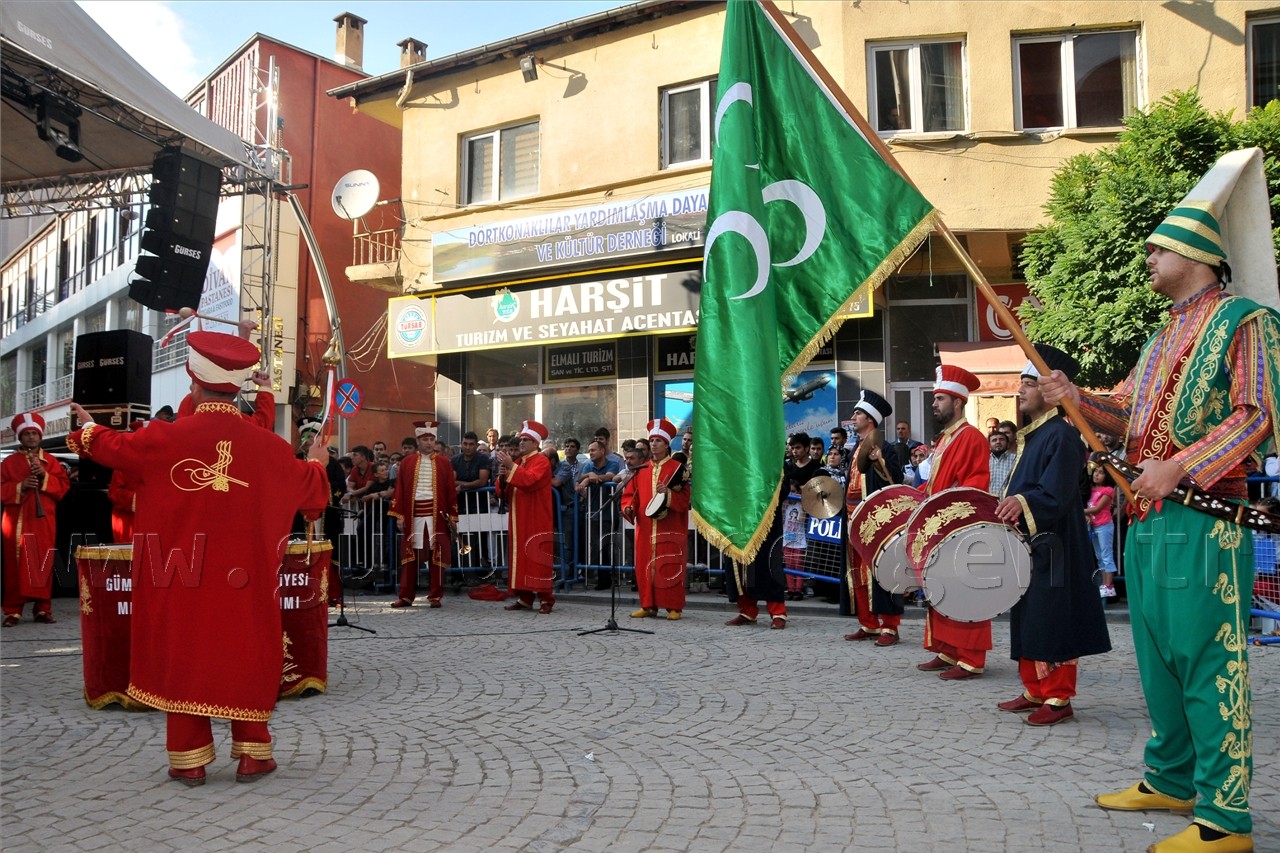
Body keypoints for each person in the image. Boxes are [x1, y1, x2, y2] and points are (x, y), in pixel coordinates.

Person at [1039, 151, 1279, 850]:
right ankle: (1171, 778)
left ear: (1197, 253)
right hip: (1147, 521)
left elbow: (1257, 414)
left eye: (1157, 247)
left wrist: (1179, 466)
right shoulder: (1160, 335)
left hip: (1207, 522)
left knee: (1208, 661)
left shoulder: (1246, 321)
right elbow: (1124, 411)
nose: (1147, 257)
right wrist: (1074, 396)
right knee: (1159, 661)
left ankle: (1226, 817)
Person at [66, 331, 329, 785]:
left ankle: (188, 759)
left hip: (180, 578)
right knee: (246, 651)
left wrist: (89, 428)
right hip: (246, 580)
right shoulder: (269, 447)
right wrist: (318, 463)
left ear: (195, 384)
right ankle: (253, 753)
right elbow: (313, 492)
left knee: (186, 653)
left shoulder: (163, 438)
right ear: (237, 388)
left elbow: (110, 448)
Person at [992, 345, 1112, 727]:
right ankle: (1034, 689)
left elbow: (1056, 494)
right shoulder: (1034, 435)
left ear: (1049, 391)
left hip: (1057, 544)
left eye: (1028, 384)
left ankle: (1058, 697)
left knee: (1053, 617)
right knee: (1030, 616)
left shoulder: (1061, 434)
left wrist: (1021, 501)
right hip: (1034, 543)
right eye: (1021, 383)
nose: (1020, 391)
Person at [915, 364, 992, 680]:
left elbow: (975, 483)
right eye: (935, 398)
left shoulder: (971, 437)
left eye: (940, 399)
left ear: (958, 402)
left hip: (959, 527)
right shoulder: (945, 438)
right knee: (942, 589)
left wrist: (943, 508)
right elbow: (937, 482)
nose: (934, 404)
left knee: (966, 592)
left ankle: (971, 659)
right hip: (940, 526)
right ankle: (948, 649)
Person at [841, 390, 905, 645]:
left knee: (882, 570)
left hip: (875, 520)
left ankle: (890, 627)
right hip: (852, 518)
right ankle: (868, 623)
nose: (853, 416)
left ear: (870, 419)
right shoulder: (854, 449)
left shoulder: (886, 448)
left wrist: (879, 462)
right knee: (857, 571)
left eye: (857, 413)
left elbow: (896, 480)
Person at [2, 413, 71, 626]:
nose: (31, 437)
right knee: (14, 565)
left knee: (42, 561)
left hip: (43, 520)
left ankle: (43, 608)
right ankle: (13, 610)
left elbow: (63, 487)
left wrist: (44, 476)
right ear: (20, 437)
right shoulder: (8, 463)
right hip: (16, 520)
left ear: (40, 436)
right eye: (27, 434)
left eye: (34, 433)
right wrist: (20, 486)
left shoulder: (50, 461)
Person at [621, 418, 690, 620]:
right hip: (645, 528)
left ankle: (673, 606)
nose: (653, 444)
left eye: (658, 441)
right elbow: (631, 494)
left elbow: (685, 498)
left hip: (670, 526)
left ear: (666, 444)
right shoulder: (641, 469)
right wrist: (628, 507)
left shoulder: (677, 468)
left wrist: (667, 494)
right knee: (644, 565)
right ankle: (648, 604)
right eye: (651, 440)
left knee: (669, 564)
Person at [387, 421, 457, 609]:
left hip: (437, 516)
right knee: (410, 557)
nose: (429, 443)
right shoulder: (407, 462)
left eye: (431, 439)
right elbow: (400, 490)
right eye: (425, 439)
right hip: (414, 515)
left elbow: (451, 490)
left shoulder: (444, 463)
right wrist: (399, 515)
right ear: (418, 440)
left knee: (437, 555)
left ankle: (435, 595)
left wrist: (452, 516)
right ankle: (406, 596)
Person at [496, 420, 557, 613]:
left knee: (538, 556)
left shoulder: (541, 461)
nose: (521, 443)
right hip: (519, 516)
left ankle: (546, 599)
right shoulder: (518, 462)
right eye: (521, 439)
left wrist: (510, 467)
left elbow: (530, 480)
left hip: (536, 517)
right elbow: (502, 491)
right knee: (521, 556)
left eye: (525, 440)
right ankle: (525, 597)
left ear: (535, 443)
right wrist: (502, 476)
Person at [1084, 465, 1119, 598]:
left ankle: (1109, 585)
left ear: (1107, 476)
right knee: (1099, 556)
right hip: (1094, 526)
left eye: (1101, 473)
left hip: (1104, 525)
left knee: (1106, 554)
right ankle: (1104, 584)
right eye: (1095, 472)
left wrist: (1079, 510)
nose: (1096, 475)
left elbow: (1097, 509)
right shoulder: (1091, 489)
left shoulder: (1108, 491)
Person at [988, 428, 1017, 495]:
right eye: (994, 440)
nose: (998, 442)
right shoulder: (984, 461)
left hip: (1009, 500)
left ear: (1007, 443)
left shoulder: (1016, 459)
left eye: (1001, 439)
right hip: (988, 500)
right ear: (989, 444)